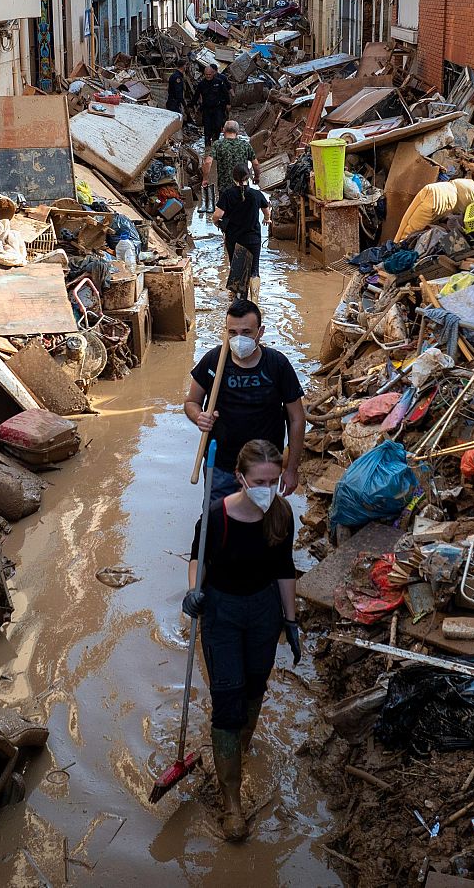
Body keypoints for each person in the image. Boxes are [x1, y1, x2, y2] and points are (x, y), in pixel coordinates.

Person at [182, 439, 302, 841]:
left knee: (254, 688)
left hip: (263, 611)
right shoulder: (218, 516)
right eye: (260, 481)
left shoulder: (281, 515)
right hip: (223, 613)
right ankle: (230, 798)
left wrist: (291, 621)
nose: (268, 488)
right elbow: (197, 556)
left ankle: (238, 747)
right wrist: (192, 591)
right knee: (228, 699)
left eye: (273, 480)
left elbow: (285, 568)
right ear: (240, 478)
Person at [186, 298, 304, 501]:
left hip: (263, 470)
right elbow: (191, 403)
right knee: (217, 522)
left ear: (260, 331)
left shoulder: (277, 365)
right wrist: (199, 417)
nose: (239, 339)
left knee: (260, 524)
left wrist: (291, 469)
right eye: (232, 333)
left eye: (246, 332)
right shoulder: (213, 361)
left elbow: (297, 419)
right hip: (221, 465)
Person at [212, 162, 269, 288]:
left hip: (234, 238)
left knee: (236, 268)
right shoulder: (256, 194)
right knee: (254, 270)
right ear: (248, 177)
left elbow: (217, 215)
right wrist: (267, 219)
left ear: (233, 178)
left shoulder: (227, 194)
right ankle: (254, 300)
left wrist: (215, 222)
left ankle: (237, 299)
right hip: (253, 238)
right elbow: (266, 209)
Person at [202, 120, 257, 203]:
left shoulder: (218, 144)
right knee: (242, 210)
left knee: (225, 212)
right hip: (242, 186)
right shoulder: (245, 145)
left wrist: (205, 179)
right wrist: (257, 177)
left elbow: (208, 162)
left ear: (223, 130)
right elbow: (255, 164)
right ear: (237, 132)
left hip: (225, 188)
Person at [197, 63, 231, 149]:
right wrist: (192, 105)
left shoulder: (219, 82)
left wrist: (228, 103)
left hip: (218, 108)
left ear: (213, 73)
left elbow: (225, 93)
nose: (208, 76)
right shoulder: (201, 84)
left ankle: (216, 141)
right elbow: (196, 95)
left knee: (218, 124)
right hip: (206, 109)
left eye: (209, 74)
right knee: (207, 127)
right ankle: (207, 145)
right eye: (206, 75)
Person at [166, 61, 192, 128]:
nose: (186, 67)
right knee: (176, 121)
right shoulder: (178, 77)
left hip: (172, 101)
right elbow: (178, 92)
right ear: (183, 66)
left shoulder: (174, 75)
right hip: (174, 103)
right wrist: (183, 103)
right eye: (186, 66)